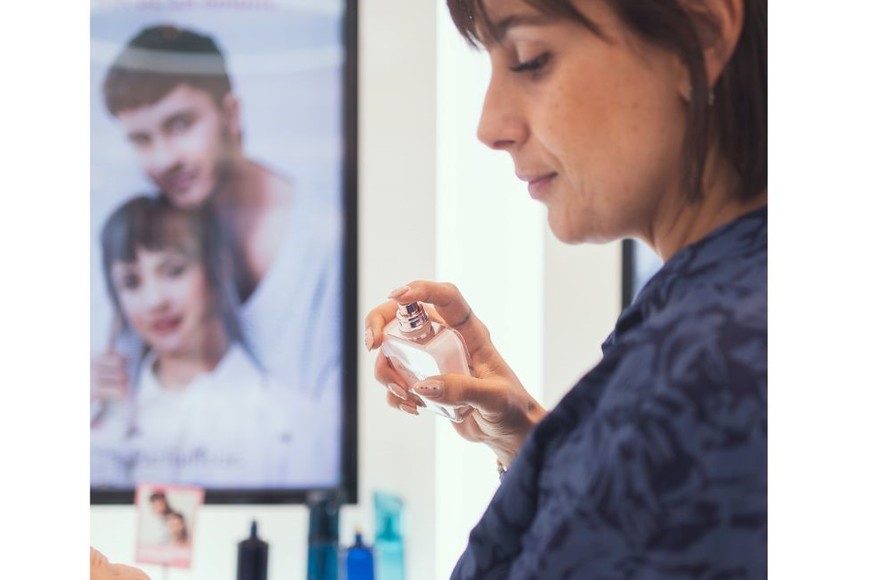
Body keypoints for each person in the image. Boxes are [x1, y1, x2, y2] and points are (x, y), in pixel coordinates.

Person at [364, 0, 766, 577]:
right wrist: (538, 445)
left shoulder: (706, 369)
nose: (489, 127)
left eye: (531, 60)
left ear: (700, 35)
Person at [91, 24, 342, 410]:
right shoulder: (143, 243)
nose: (164, 159)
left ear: (231, 113)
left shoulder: (325, 241)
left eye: (180, 124)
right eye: (142, 139)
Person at [90, 196, 338, 488]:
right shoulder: (99, 422)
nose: (154, 300)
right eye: (131, 282)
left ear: (218, 267)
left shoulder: (293, 427)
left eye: (173, 271)